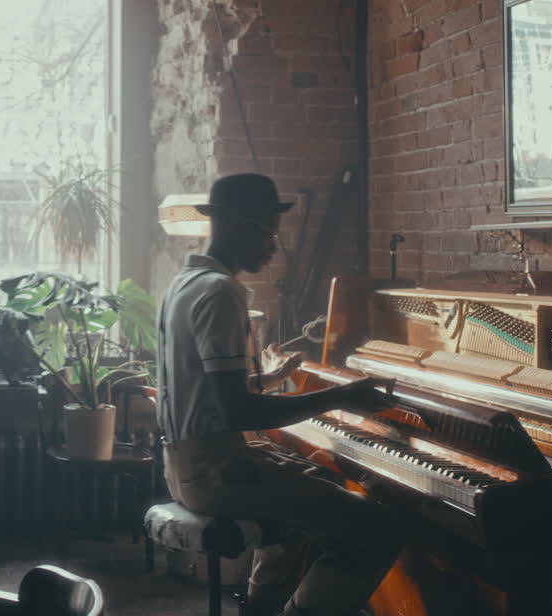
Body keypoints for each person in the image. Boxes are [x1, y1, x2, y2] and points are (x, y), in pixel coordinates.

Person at [155, 173, 402, 616]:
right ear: (236, 225)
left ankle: (259, 607)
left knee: (322, 490)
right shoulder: (220, 291)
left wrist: (269, 379)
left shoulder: (183, 284)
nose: (274, 245)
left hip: (185, 465)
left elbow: (208, 393)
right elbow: (239, 411)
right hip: (215, 472)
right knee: (378, 528)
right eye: (268, 231)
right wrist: (340, 397)